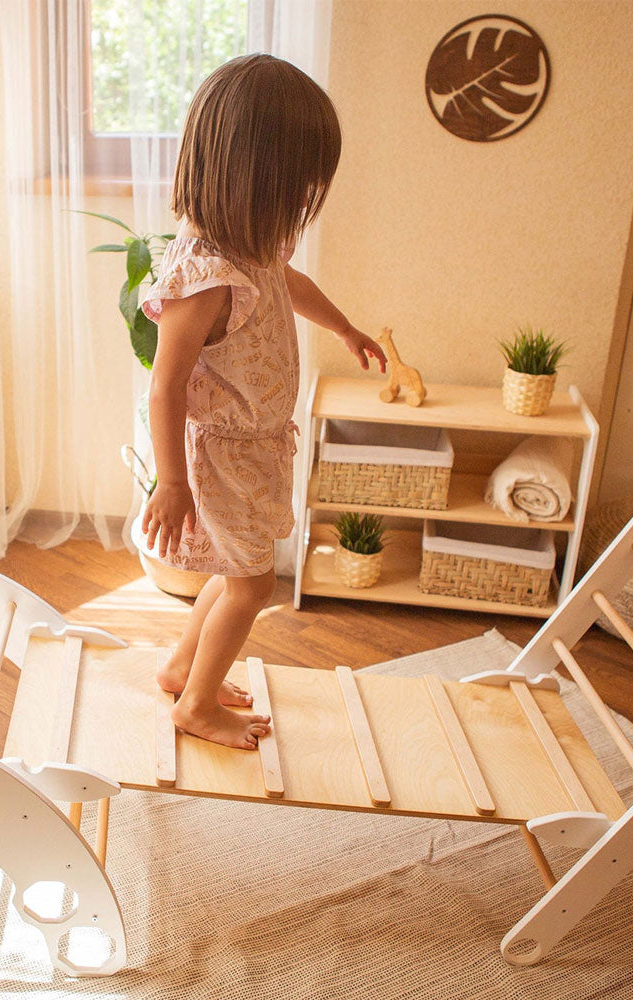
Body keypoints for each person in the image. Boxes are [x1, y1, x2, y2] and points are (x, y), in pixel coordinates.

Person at [140, 54, 385, 750]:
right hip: (221, 450)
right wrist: (173, 482)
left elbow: (290, 280)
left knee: (236, 568)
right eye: (297, 184)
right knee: (253, 586)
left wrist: (342, 327)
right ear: (253, 175)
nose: (302, 199)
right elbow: (164, 386)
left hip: (256, 443)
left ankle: (184, 668)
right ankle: (194, 706)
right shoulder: (205, 273)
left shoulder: (253, 246)